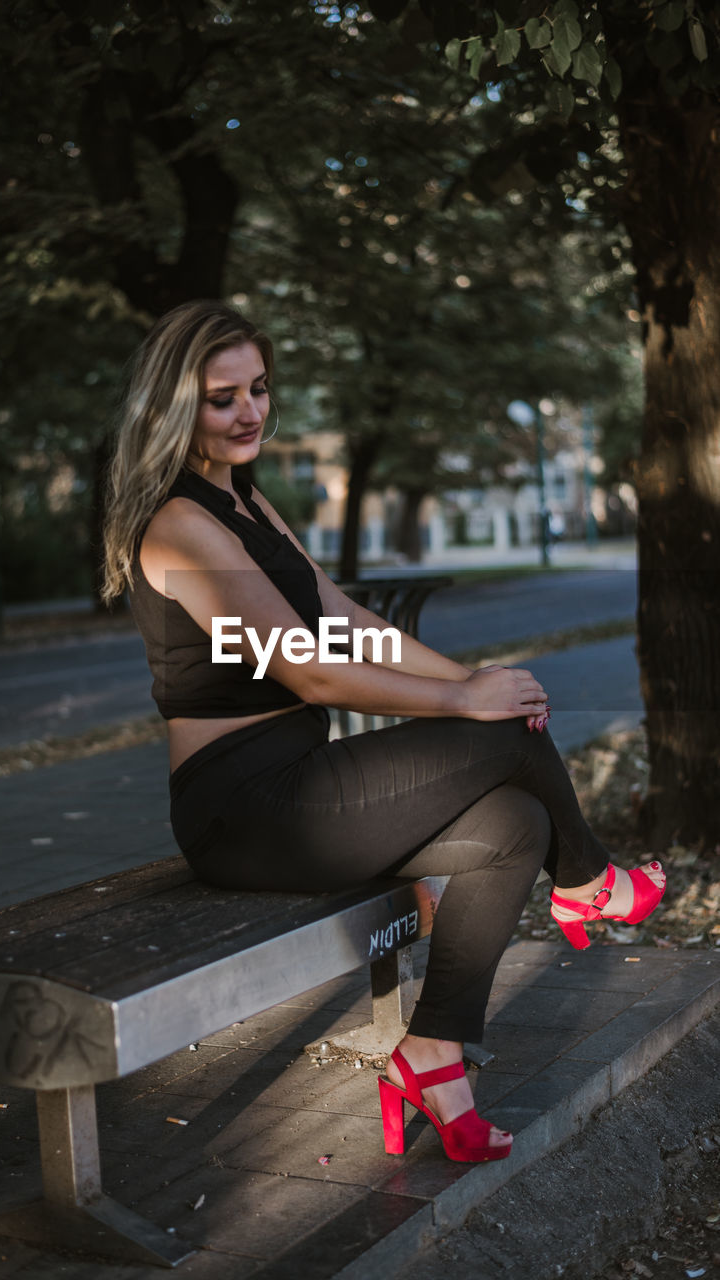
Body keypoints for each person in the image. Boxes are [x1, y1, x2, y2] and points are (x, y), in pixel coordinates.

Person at [102, 300, 665, 1164]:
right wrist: (467, 704)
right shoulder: (180, 525)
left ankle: (433, 1055)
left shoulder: (241, 499)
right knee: (506, 740)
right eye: (224, 398)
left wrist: (471, 680)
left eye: (258, 388)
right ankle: (589, 883)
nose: (250, 410)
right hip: (244, 809)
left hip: (298, 783)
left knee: (517, 824)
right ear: (175, 406)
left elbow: (341, 616)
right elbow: (310, 668)